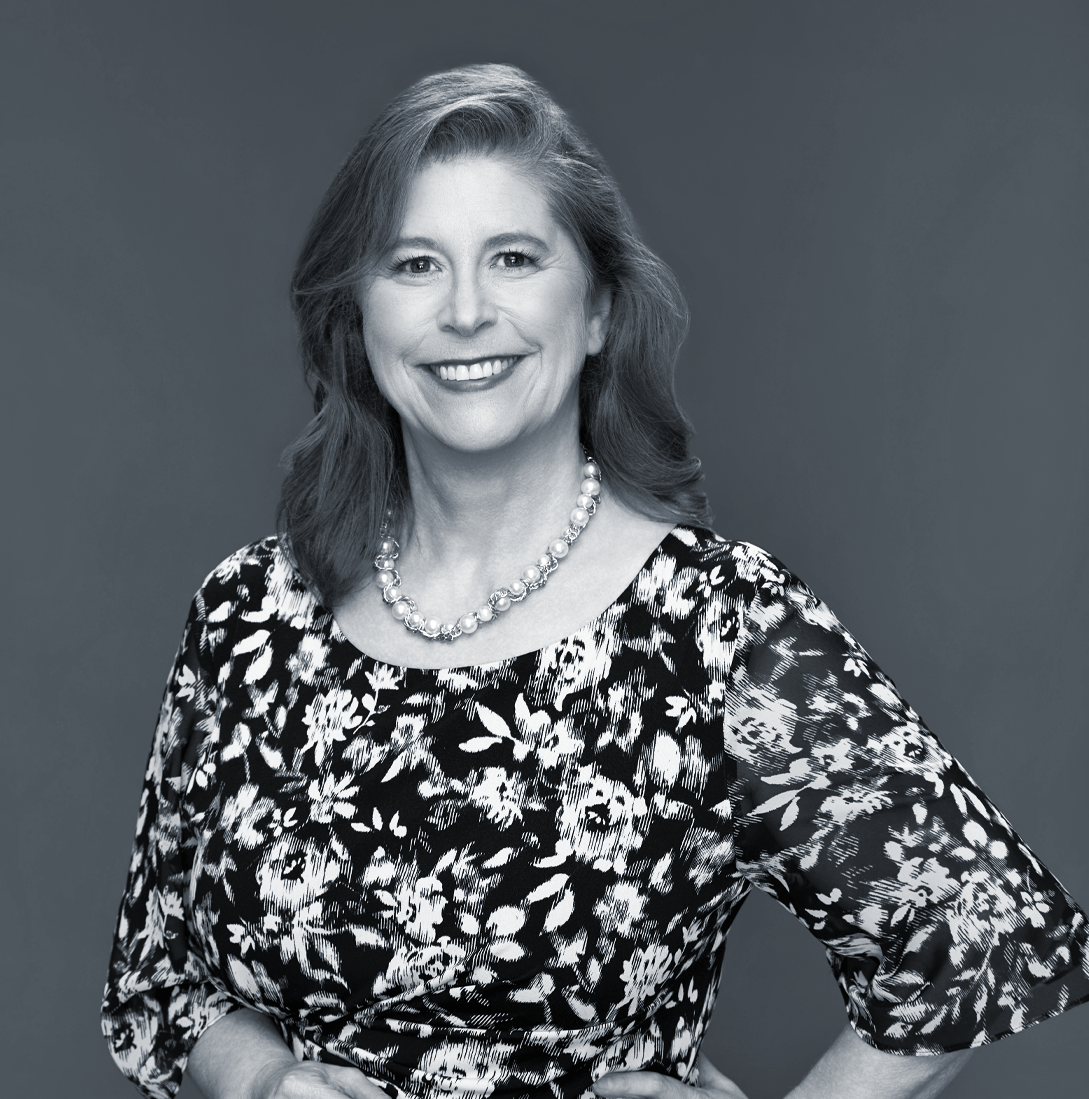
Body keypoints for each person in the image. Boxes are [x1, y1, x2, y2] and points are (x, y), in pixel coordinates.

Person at [101, 64, 1089, 1099]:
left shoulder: (713, 628)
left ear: (601, 308)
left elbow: (975, 936)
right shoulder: (249, 616)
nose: (467, 311)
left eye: (515, 258)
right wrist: (263, 1082)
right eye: (414, 265)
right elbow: (160, 980)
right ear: (356, 318)